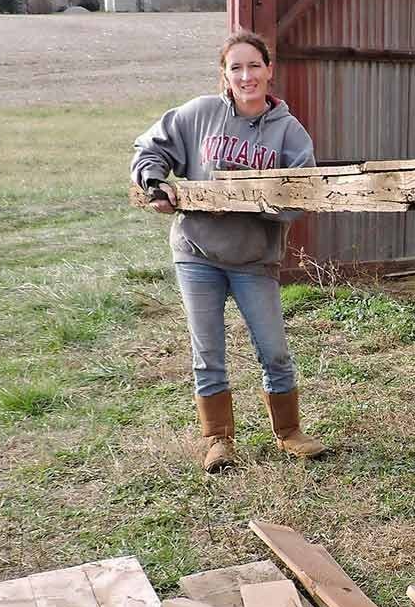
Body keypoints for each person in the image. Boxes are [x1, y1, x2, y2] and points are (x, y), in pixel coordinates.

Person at [131, 31, 327, 472]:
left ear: (269, 70)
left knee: (273, 348)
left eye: (254, 65)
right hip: (196, 252)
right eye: (235, 67)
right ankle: (218, 439)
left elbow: (303, 193)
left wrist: (261, 201)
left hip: (254, 258)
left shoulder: (288, 132)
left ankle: (288, 432)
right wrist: (154, 182)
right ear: (224, 74)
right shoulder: (199, 114)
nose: (246, 75)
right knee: (208, 350)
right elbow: (150, 148)